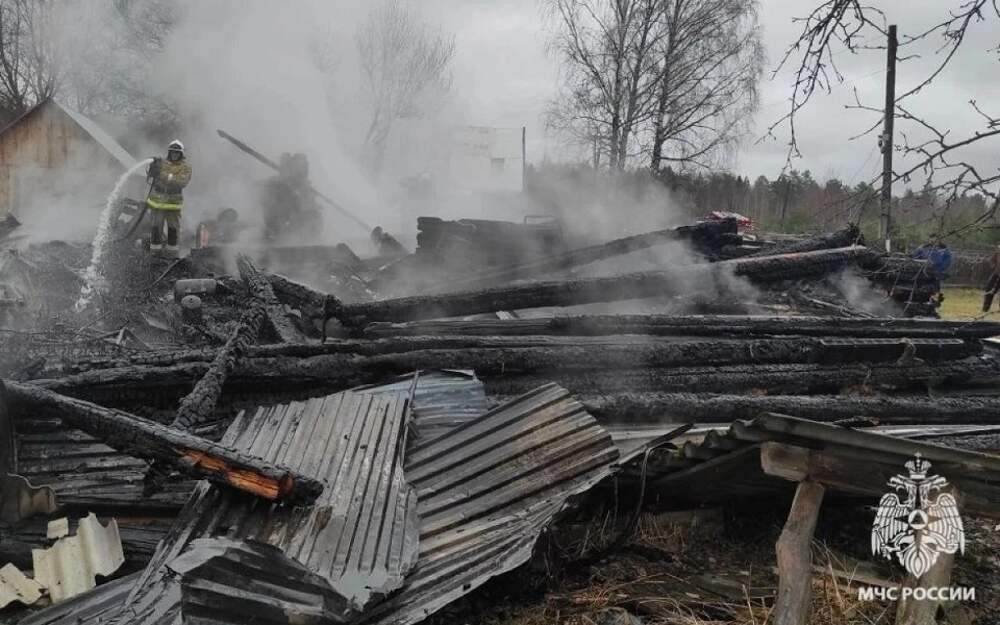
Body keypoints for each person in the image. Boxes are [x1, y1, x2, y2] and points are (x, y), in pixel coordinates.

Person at [146, 140, 192, 257]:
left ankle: (171, 254)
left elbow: (181, 182)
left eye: (177, 152)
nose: (174, 154)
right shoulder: (161, 163)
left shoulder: (185, 167)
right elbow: (152, 174)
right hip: (157, 202)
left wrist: (162, 175)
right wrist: (152, 168)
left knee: (173, 228)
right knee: (156, 227)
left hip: (173, 203)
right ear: (169, 152)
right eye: (172, 152)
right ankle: (155, 253)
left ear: (181, 154)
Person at [983, 244, 1000, 312]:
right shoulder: (997, 253)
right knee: (989, 290)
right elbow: (992, 260)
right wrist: (994, 267)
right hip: (997, 274)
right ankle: (985, 308)